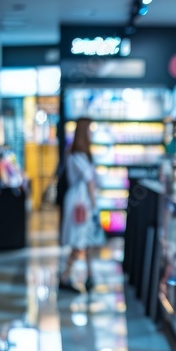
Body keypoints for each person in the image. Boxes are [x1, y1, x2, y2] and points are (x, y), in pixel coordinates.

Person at [59, 118, 100, 293]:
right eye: (90, 130)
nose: (92, 133)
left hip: (80, 202)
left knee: (88, 240)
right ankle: (64, 277)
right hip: (81, 204)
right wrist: (94, 203)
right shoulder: (77, 155)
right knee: (79, 241)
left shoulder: (77, 154)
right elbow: (90, 180)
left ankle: (90, 276)